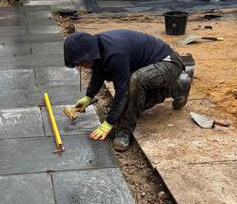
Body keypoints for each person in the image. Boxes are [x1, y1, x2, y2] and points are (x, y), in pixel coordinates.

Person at [64, 29, 193, 152]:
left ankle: (125, 131)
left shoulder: (114, 53)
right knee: (134, 103)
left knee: (136, 80)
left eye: (81, 63)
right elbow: (99, 71)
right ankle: (174, 86)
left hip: (169, 63)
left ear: (89, 54)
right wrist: (88, 97)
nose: (81, 66)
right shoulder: (96, 47)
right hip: (149, 65)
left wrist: (109, 123)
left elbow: (122, 91)